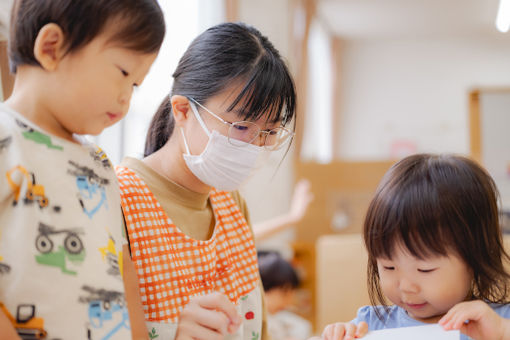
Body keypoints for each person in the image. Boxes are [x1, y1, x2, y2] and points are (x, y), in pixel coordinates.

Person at [115, 22, 296, 340]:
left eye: (268, 132)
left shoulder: (232, 202)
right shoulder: (119, 200)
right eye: (241, 126)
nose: (255, 146)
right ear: (183, 110)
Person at [0, 1, 165, 339]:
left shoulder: (99, 164)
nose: (126, 99)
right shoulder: (6, 138)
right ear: (51, 48)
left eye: (135, 85)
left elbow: (120, 268)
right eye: (122, 72)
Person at [316, 154, 510, 340]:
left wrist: (502, 332)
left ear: (475, 258)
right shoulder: (370, 325)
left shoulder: (496, 321)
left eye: (425, 269)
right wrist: (337, 335)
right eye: (388, 267)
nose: (406, 287)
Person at [258, 251, 311, 340]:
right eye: (284, 294)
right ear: (264, 288)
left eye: (292, 294)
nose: (289, 301)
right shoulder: (253, 321)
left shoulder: (280, 318)